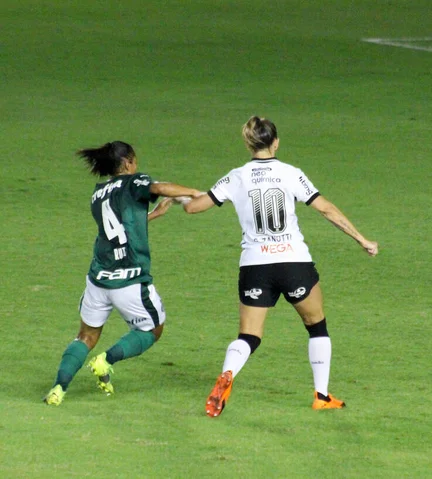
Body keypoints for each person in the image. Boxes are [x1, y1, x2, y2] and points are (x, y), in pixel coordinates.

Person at [181, 116, 378, 417]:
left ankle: (228, 374)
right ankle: (322, 395)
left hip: (255, 265)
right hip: (293, 261)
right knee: (317, 327)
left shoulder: (236, 177)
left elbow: (195, 207)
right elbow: (326, 208)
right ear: (276, 142)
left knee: (249, 336)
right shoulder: (290, 174)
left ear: (248, 143)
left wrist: (179, 197)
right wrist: (361, 239)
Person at [43, 141, 204, 406]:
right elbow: (160, 187)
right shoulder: (133, 181)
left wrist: (151, 216)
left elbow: (115, 228)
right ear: (128, 162)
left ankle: (58, 388)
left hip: (99, 278)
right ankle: (106, 360)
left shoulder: (98, 193)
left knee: (85, 336)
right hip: (128, 278)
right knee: (153, 329)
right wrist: (193, 192)